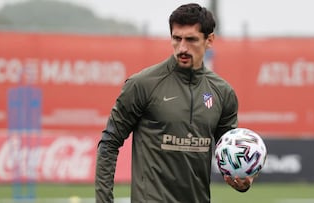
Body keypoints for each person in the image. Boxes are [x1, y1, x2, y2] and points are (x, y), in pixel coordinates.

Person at [95, 3, 254, 203]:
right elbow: (109, 143)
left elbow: (228, 156)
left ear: (209, 40)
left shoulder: (223, 93)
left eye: (191, 39)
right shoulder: (142, 85)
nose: (182, 48)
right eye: (176, 39)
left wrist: (241, 179)